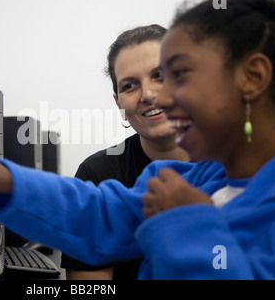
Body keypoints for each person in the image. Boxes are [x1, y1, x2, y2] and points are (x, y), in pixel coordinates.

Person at [0, 0, 275, 279]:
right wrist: (9, 183)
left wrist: (190, 225)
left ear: (252, 78)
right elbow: (99, 215)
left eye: (178, 74)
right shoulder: (198, 178)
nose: (160, 97)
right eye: (132, 85)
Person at [61, 24, 189, 280]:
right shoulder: (98, 176)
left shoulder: (237, 164)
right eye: (130, 85)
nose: (149, 94)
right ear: (119, 103)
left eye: (159, 76)